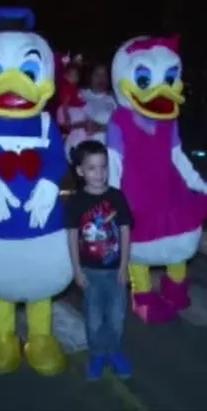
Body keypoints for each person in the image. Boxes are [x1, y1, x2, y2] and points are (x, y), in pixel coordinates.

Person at [65, 140, 133, 380]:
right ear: (81, 171)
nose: (99, 173)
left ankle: (114, 351)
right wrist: (76, 270)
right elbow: (73, 236)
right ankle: (97, 354)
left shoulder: (116, 197)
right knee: (93, 318)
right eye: (92, 168)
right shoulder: (76, 202)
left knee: (116, 317)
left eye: (103, 167)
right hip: (90, 272)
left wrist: (124, 265)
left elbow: (125, 230)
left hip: (115, 271)